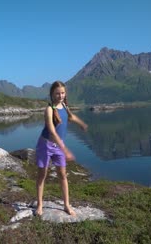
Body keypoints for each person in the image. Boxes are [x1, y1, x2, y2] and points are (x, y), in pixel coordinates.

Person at [35, 80, 88, 216]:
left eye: (63, 93)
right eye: (58, 93)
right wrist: (65, 150)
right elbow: (52, 132)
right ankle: (40, 205)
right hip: (46, 145)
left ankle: (66, 205)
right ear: (52, 94)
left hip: (59, 146)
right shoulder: (48, 110)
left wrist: (81, 124)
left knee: (63, 175)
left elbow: (71, 117)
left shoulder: (64, 105)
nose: (61, 96)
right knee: (42, 175)